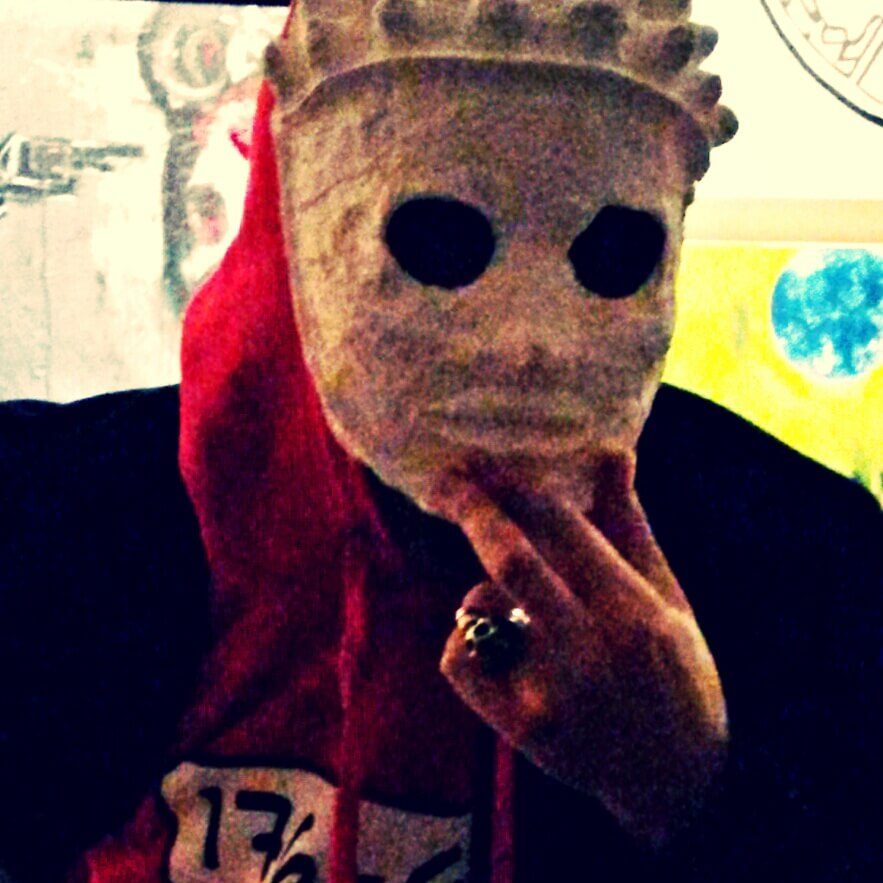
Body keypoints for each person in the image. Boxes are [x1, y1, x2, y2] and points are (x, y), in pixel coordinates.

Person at [0, 2, 879, 882]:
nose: (528, 346)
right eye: (443, 239)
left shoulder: (803, 558)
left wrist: (690, 783)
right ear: (301, 213)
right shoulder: (54, 516)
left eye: (612, 252)